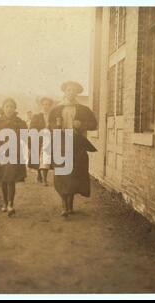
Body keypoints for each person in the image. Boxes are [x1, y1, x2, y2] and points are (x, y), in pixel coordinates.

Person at [49, 81, 97, 217]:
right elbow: (50, 125)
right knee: (62, 175)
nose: (71, 92)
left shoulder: (83, 109)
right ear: (64, 92)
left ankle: (70, 205)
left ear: (77, 93)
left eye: (74, 90)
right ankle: (64, 206)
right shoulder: (56, 109)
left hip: (76, 144)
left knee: (73, 175)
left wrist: (81, 124)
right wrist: (56, 126)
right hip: (61, 144)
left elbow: (94, 124)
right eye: (68, 90)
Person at [0, 98, 27, 216]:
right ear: (3, 108)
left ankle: (11, 204)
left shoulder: (20, 122)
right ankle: (5, 203)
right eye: (7, 106)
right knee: (4, 180)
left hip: (14, 153)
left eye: (12, 106)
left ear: (15, 109)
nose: (9, 109)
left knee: (11, 179)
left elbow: (26, 136)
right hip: (1, 153)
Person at [28, 97, 54, 186]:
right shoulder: (37, 116)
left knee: (46, 159)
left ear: (50, 106)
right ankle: (39, 174)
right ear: (41, 105)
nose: (46, 106)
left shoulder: (52, 117)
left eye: (48, 104)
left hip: (48, 140)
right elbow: (32, 128)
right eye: (44, 104)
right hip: (38, 140)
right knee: (38, 159)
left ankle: (44, 179)